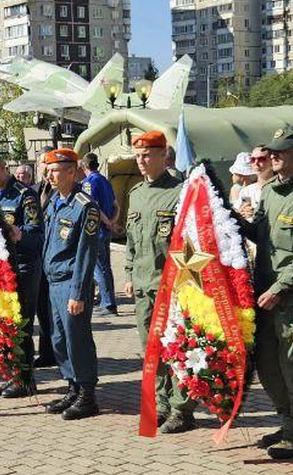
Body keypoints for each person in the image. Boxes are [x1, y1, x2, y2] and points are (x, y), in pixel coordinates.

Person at [238, 129, 293, 459]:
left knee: (292, 368)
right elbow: (261, 234)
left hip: (288, 297)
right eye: (272, 152)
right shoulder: (268, 191)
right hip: (263, 293)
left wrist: (280, 287)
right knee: (268, 366)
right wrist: (230, 220)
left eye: (282, 152)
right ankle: (287, 422)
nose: (274, 158)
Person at [123, 131, 195, 433]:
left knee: (176, 350)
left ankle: (182, 409)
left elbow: (190, 244)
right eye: (138, 156)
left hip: (172, 288)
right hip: (143, 288)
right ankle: (162, 405)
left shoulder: (180, 192)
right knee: (151, 350)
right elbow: (131, 242)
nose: (142, 161)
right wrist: (128, 273)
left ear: (164, 155)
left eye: (148, 155)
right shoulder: (136, 193)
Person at [0, 147, 44, 397]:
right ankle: (13, 373)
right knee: (4, 323)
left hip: (23, 268)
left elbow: (37, 236)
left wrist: (19, 235)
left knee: (20, 322)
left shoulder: (24, 196)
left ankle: (26, 379)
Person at [41, 148, 101, 420]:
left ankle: (87, 395)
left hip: (71, 283)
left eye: (55, 170)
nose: (50, 175)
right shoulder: (55, 200)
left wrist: (78, 292)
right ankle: (72, 387)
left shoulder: (84, 206)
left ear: (71, 172)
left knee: (77, 339)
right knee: (59, 339)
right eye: (49, 170)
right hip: (53, 282)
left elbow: (85, 254)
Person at [81, 152, 119, 316]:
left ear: (84, 167)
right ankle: (108, 301)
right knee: (106, 267)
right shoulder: (105, 180)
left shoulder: (88, 183)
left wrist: (107, 222)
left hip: (96, 230)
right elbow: (116, 205)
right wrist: (112, 221)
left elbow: (93, 206)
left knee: (99, 268)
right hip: (106, 230)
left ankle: (108, 303)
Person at [34, 148, 58, 367]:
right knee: (42, 308)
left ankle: (59, 352)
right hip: (37, 259)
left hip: (56, 260)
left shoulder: (64, 191)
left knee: (55, 311)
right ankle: (46, 352)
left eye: (47, 162)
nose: (44, 166)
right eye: (41, 162)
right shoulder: (33, 190)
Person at [237, 146, 273, 217]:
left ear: (272, 161)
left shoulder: (281, 189)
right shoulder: (246, 191)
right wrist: (241, 213)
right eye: (252, 159)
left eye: (261, 159)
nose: (256, 163)